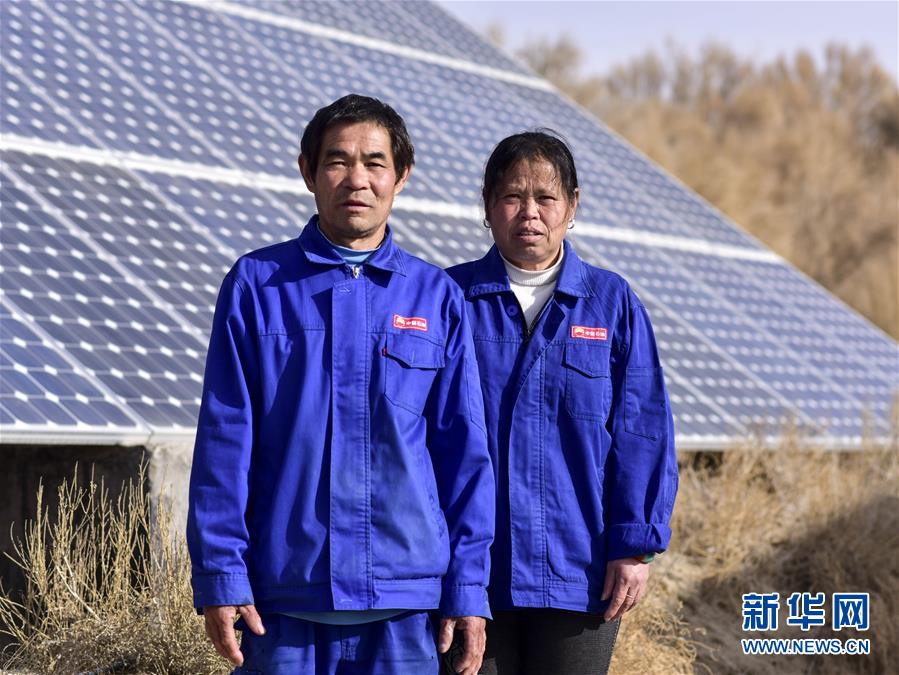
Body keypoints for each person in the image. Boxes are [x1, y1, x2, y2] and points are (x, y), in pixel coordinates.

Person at [187, 94, 494, 675]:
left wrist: (469, 588)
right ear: (307, 171)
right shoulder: (257, 286)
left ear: (401, 175)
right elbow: (225, 439)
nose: (357, 179)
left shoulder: (436, 298)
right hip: (282, 606)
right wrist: (221, 573)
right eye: (338, 160)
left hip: (406, 608)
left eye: (375, 162)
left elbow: (464, 455)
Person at [446, 131, 678, 674]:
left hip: (581, 572)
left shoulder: (611, 303)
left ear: (572, 206)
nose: (530, 212)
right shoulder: (449, 299)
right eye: (512, 196)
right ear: (487, 205)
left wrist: (632, 546)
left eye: (546, 198)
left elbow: (643, 432)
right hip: (474, 576)